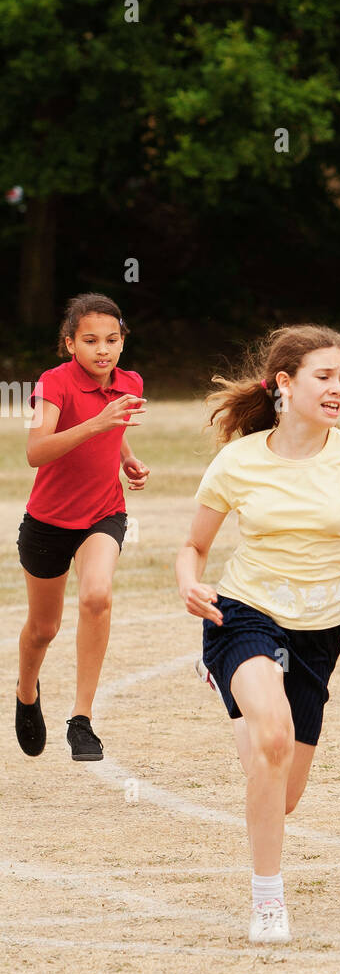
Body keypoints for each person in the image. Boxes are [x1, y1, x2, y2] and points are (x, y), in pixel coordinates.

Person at [176, 325, 340, 945]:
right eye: (324, 376)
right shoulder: (239, 459)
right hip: (243, 613)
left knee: (282, 789)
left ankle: (246, 699)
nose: (337, 389)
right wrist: (189, 583)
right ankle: (268, 901)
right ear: (285, 384)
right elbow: (192, 546)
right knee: (271, 735)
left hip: (319, 635)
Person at [15, 293, 148, 762]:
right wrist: (96, 425)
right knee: (43, 628)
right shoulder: (54, 384)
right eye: (90, 340)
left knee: (96, 595)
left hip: (103, 513)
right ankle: (26, 693)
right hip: (48, 522)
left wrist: (128, 459)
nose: (103, 349)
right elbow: (36, 451)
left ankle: (81, 720)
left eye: (112, 340)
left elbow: (116, 430)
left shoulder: (129, 381)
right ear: (70, 344)